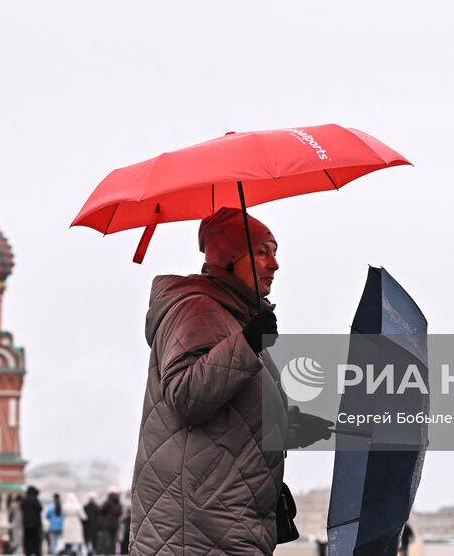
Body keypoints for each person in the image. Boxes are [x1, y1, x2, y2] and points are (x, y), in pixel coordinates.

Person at [130, 208, 331, 555]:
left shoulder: (235, 319)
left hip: (227, 523)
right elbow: (186, 394)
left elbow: (233, 416)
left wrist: (291, 426)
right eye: (262, 252)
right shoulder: (196, 309)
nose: (274, 264)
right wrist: (247, 344)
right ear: (228, 259)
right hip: (197, 532)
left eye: (275, 252)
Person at [20, 487, 43, 556]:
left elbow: (21, 508)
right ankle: (36, 552)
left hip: (26, 524)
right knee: (36, 540)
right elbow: (40, 509)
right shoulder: (35, 499)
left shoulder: (24, 500)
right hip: (35, 524)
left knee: (27, 540)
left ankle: (28, 552)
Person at [97, 490, 122, 554]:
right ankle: (117, 552)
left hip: (107, 524)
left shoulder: (107, 503)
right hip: (116, 524)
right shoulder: (118, 503)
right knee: (116, 540)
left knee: (107, 540)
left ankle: (107, 552)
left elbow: (101, 511)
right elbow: (120, 513)